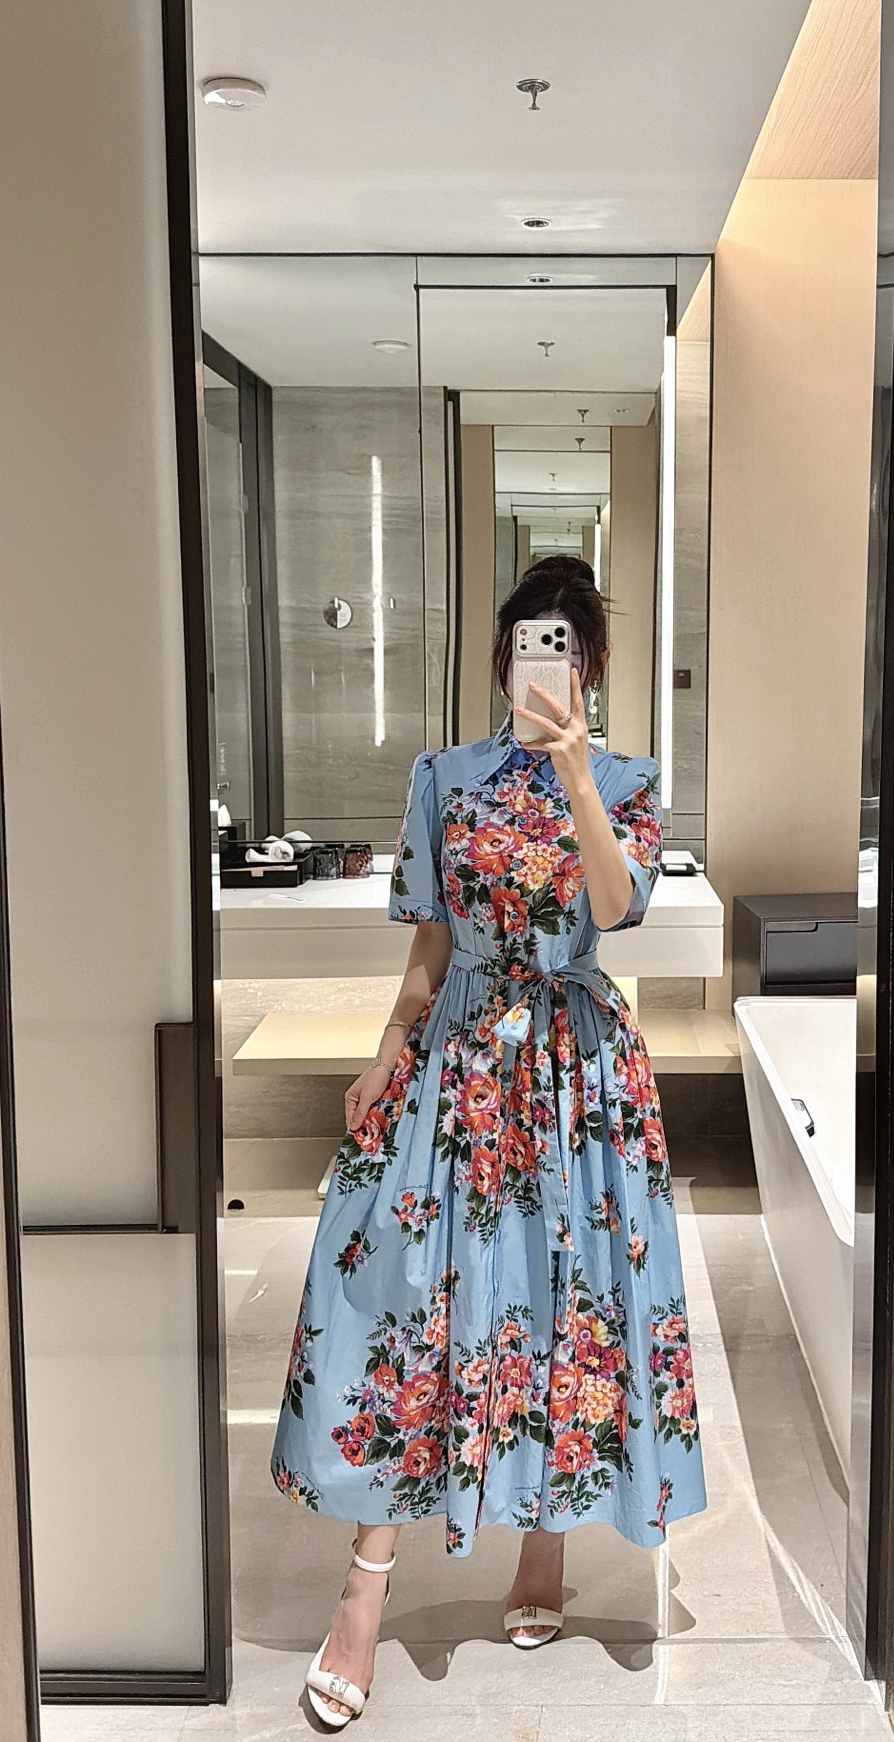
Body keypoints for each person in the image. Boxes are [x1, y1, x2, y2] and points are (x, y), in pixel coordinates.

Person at [271, 554, 706, 1727]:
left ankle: (543, 1543)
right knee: (411, 1295)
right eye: (524, 645)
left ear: (591, 666)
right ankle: (363, 1589)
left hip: (578, 1069)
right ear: (503, 658)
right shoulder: (443, 778)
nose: (540, 664)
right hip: (462, 1057)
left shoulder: (627, 782)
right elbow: (429, 944)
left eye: (561, 646)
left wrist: (576, 773)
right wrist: (385, 1051)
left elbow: (614, 908)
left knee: (566, 1295)